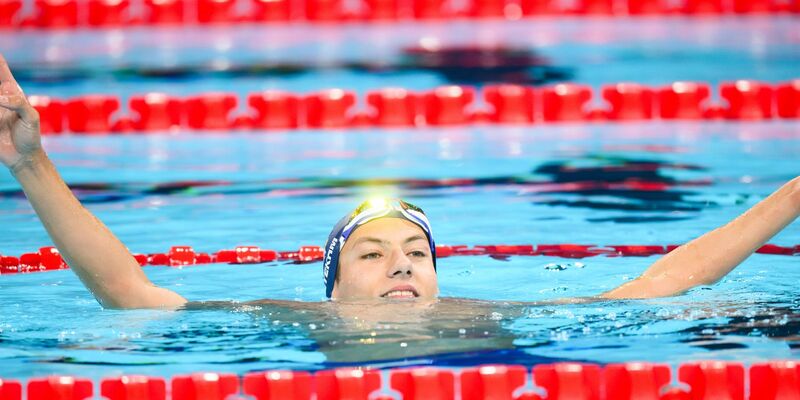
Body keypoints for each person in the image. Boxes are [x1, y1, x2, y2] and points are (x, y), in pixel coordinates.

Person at [2, 53, 799, 311]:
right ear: (333, 285)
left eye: (415, 252)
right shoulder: (285, 324)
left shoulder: (482, 321)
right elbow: (127, 291)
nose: (402, 264)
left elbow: (659, 284)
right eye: (374, 253)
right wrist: (31, 162)